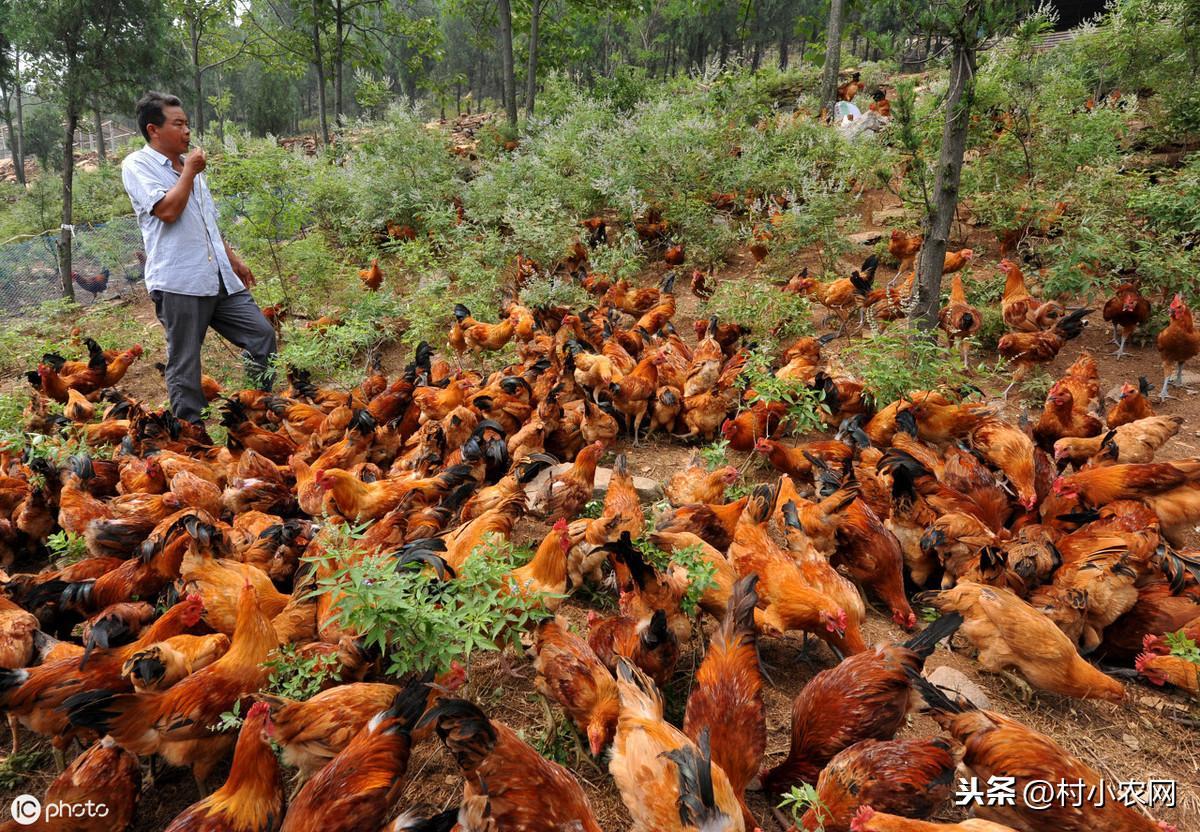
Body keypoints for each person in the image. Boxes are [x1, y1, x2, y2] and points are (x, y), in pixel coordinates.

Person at [122, 91, 276, 434]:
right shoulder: (138, 165)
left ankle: (256, 410)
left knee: (261, 334)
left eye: (187, 123)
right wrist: (189, 172)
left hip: (218, 276)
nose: (187, 131)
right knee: (186, 362)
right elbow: (167, 211)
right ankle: (192, 436)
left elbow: (207, 223)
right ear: (153, 130)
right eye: (178, 124)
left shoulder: (191, 168)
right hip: (180, 281)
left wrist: (233, 260)